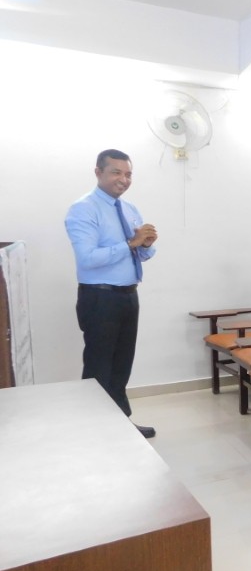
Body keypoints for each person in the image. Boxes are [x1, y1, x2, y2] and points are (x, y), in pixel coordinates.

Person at [65, 149, 158, 438]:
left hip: (128, 295)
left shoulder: (129, 209)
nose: (123, 179)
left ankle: (120, 427)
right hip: (99, 298)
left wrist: (145, 244)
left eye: (128, 174)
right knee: (99, 367)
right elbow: (88, 258)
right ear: (98, 172)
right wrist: (131, 243)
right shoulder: (83, 209)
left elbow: (141, 253)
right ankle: (94, 432)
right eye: (116, 172)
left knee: (121, 364)